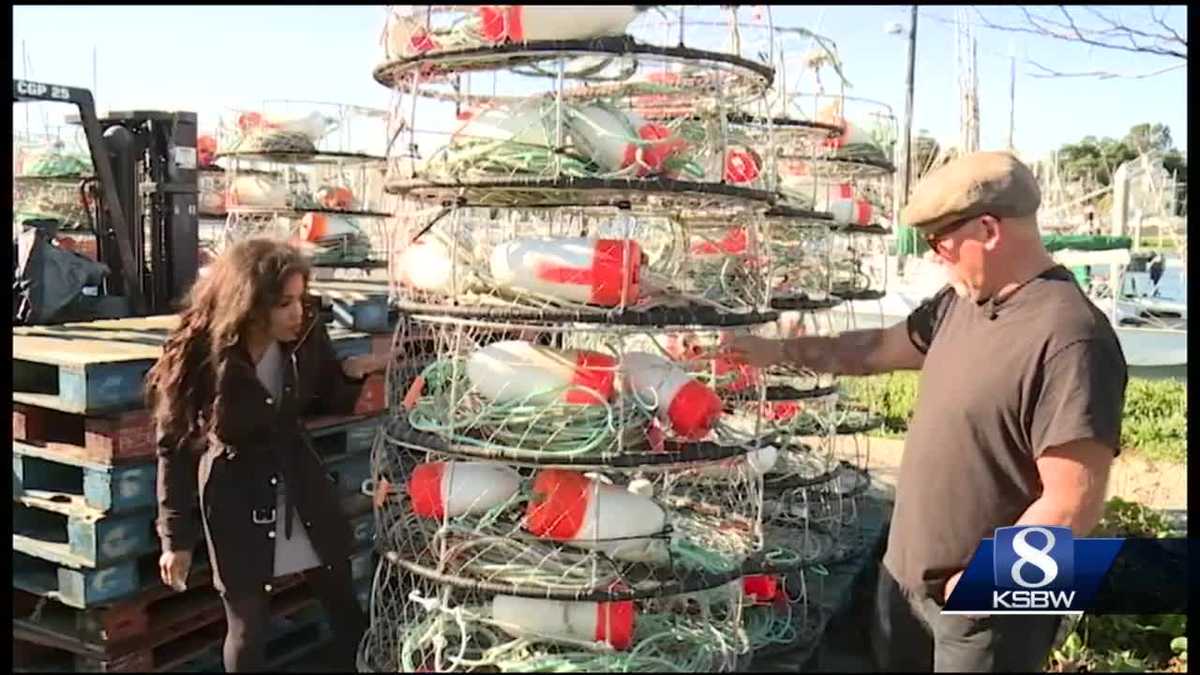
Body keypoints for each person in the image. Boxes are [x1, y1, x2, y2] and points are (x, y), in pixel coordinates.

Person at [726, 151, 1127, 672]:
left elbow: (1073, 504)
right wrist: (775, 353)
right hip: (904, 589)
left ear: (988, 229)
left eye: (941, 243)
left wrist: (984, 587)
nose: (937, 257)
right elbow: (875, 349)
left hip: (985, 615)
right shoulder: (959, 302)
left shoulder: (1072, 338)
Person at [146, 238, 390, 672]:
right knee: (247, 625)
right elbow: (173, 446)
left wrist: (359, 370)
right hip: (237, 497)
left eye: (299, 299)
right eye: (283, 303)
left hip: (298, 482)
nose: (297, 312)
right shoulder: (203, 351)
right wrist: (175, 540)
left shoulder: (305, 336)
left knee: (340, 598)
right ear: (251, 303)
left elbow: (326, 395)